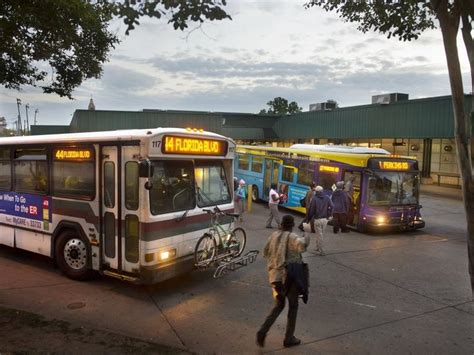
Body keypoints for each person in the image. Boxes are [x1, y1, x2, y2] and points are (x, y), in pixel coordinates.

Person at [257, 215, 310, 348]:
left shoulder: (273, 235)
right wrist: (307, 233)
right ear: (292, 225)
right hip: (289, 278)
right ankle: (289, 338)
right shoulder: (292, 237)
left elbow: (265, 252)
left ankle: (262, 331)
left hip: (275, 278)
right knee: (293, 307)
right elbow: (302, 246)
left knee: (279, 305)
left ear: (281, 224)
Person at [305, 185, 333, 256]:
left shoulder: (314, 199)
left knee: (319, 235)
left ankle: (320, 250)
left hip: (317, 220)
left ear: (316, 192)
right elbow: (332, 206)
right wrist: (329, 214)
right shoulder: (327, 197)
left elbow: (311, 210)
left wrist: (308, 219)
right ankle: (318, 247)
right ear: (322, 191)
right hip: (325, 220)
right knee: (321, 234)